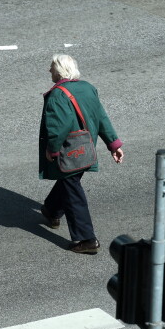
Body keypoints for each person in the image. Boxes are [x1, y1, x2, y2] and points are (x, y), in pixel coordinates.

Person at [39, 54, 124, 254]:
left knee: (72, 190)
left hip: (69, 151)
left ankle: (87, 239)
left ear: (59, 71)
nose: (49, 71)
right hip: (87, 149)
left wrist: (52, 149)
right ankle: (51, 210)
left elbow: (57, 127)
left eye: (51, 67)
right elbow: (101, 116)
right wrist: (114, 144)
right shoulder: (88, 88)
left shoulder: (58, 94)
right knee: (69, 181)